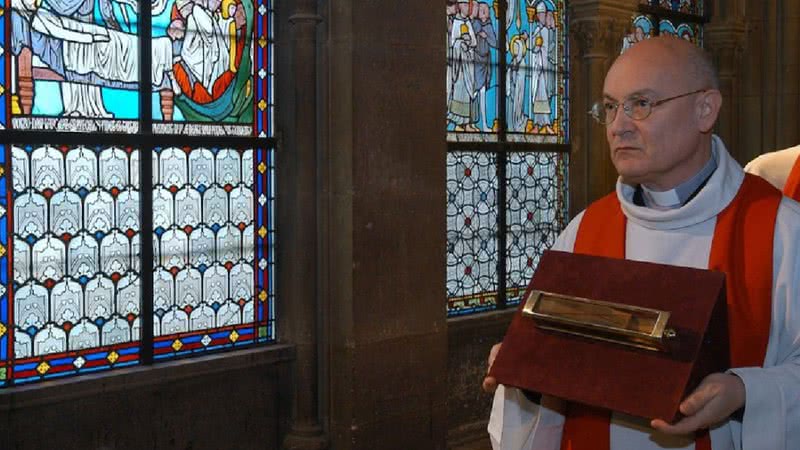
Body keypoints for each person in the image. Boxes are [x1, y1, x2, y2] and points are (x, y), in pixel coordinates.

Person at [483, 36, 800, 450]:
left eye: (641, 104)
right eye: (611, 107)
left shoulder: (781, 230)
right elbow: (556, 372)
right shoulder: (585, 231)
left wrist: (744, 392)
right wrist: (528, 371)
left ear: (706, 109)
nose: (618, 126)